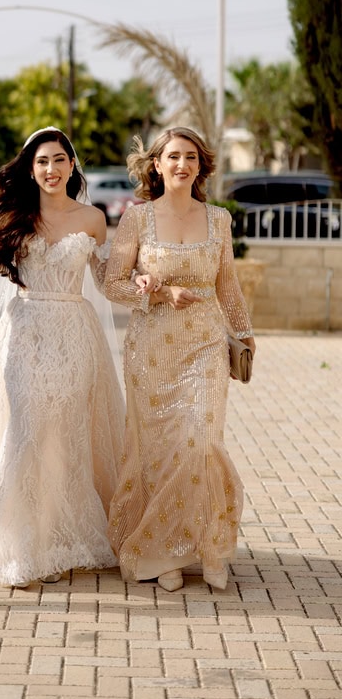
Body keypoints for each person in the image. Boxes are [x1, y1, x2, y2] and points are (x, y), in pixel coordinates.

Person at [0, 127, 132, 588]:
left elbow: (107, 283)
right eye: (42, 162)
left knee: (63, 431)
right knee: (26, 426)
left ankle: (56, 535)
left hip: (75, 337)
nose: (51, 170)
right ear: (30, 169)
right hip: (23, 335)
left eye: (59, 160)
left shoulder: (93, 219)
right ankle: (20, 541)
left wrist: (149, 290)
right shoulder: (14, 217)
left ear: (72, 165)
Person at [105, 127, 256, 592]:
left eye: (190, 156)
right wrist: (158, 293)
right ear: (157, 164)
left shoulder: (219, 219)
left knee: (202, 441)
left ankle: (211, 548)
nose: (182, 164)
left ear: (201, 164)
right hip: (152, 347)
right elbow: (113, 283)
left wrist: (245, 332)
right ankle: (160, 552)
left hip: (206, 343)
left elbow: (227, 283)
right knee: (158, 450)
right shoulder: (137, 219)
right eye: (173, 156)